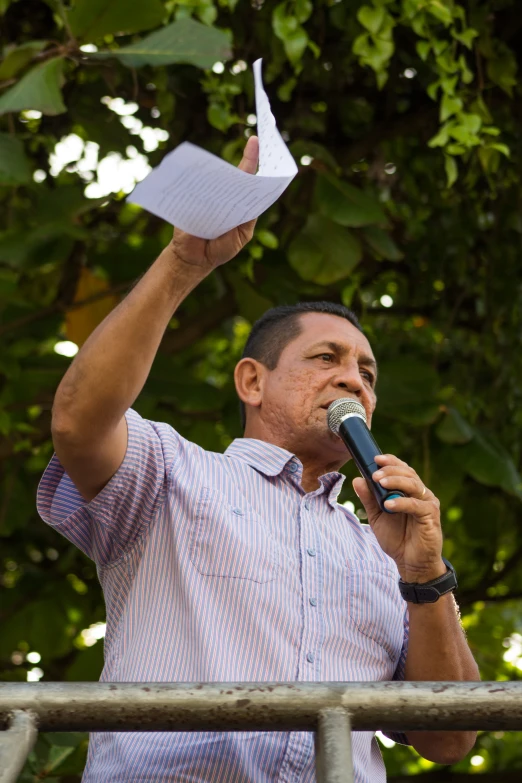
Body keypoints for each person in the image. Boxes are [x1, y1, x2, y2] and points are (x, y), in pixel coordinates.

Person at [37, 136, 479, 783]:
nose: (354, 381)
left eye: (367, 372)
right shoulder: (171, 474)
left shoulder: (383, 556)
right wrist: (185, 262)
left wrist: (425, 572)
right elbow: (78, 421)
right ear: (252, 381)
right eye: (326, 359)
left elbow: (452, 738)